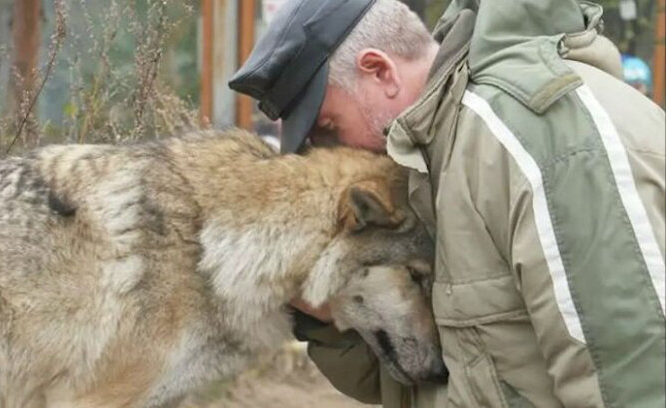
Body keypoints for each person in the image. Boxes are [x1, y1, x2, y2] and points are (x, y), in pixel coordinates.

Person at [229, 1, 666, 407]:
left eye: (329, 128)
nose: (332, 154)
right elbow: (440, 383)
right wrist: (327, 314)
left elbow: (629, 379)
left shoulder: (538, 139)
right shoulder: (437, 161)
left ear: (380, 71)